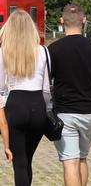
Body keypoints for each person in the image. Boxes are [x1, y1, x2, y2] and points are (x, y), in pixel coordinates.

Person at [48, 4, 91, 186]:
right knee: (82, 158)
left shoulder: (53, 49)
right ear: (84, 21)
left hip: (65, 112)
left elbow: (46, 82)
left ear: (61, 21)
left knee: (70, 161)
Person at [0, 10, 50, 185]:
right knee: (28, 159)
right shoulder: (43, 51)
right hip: (37, 105)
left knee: (19, 162)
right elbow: (46, 90)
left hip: (16, 105)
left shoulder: (3, 52)